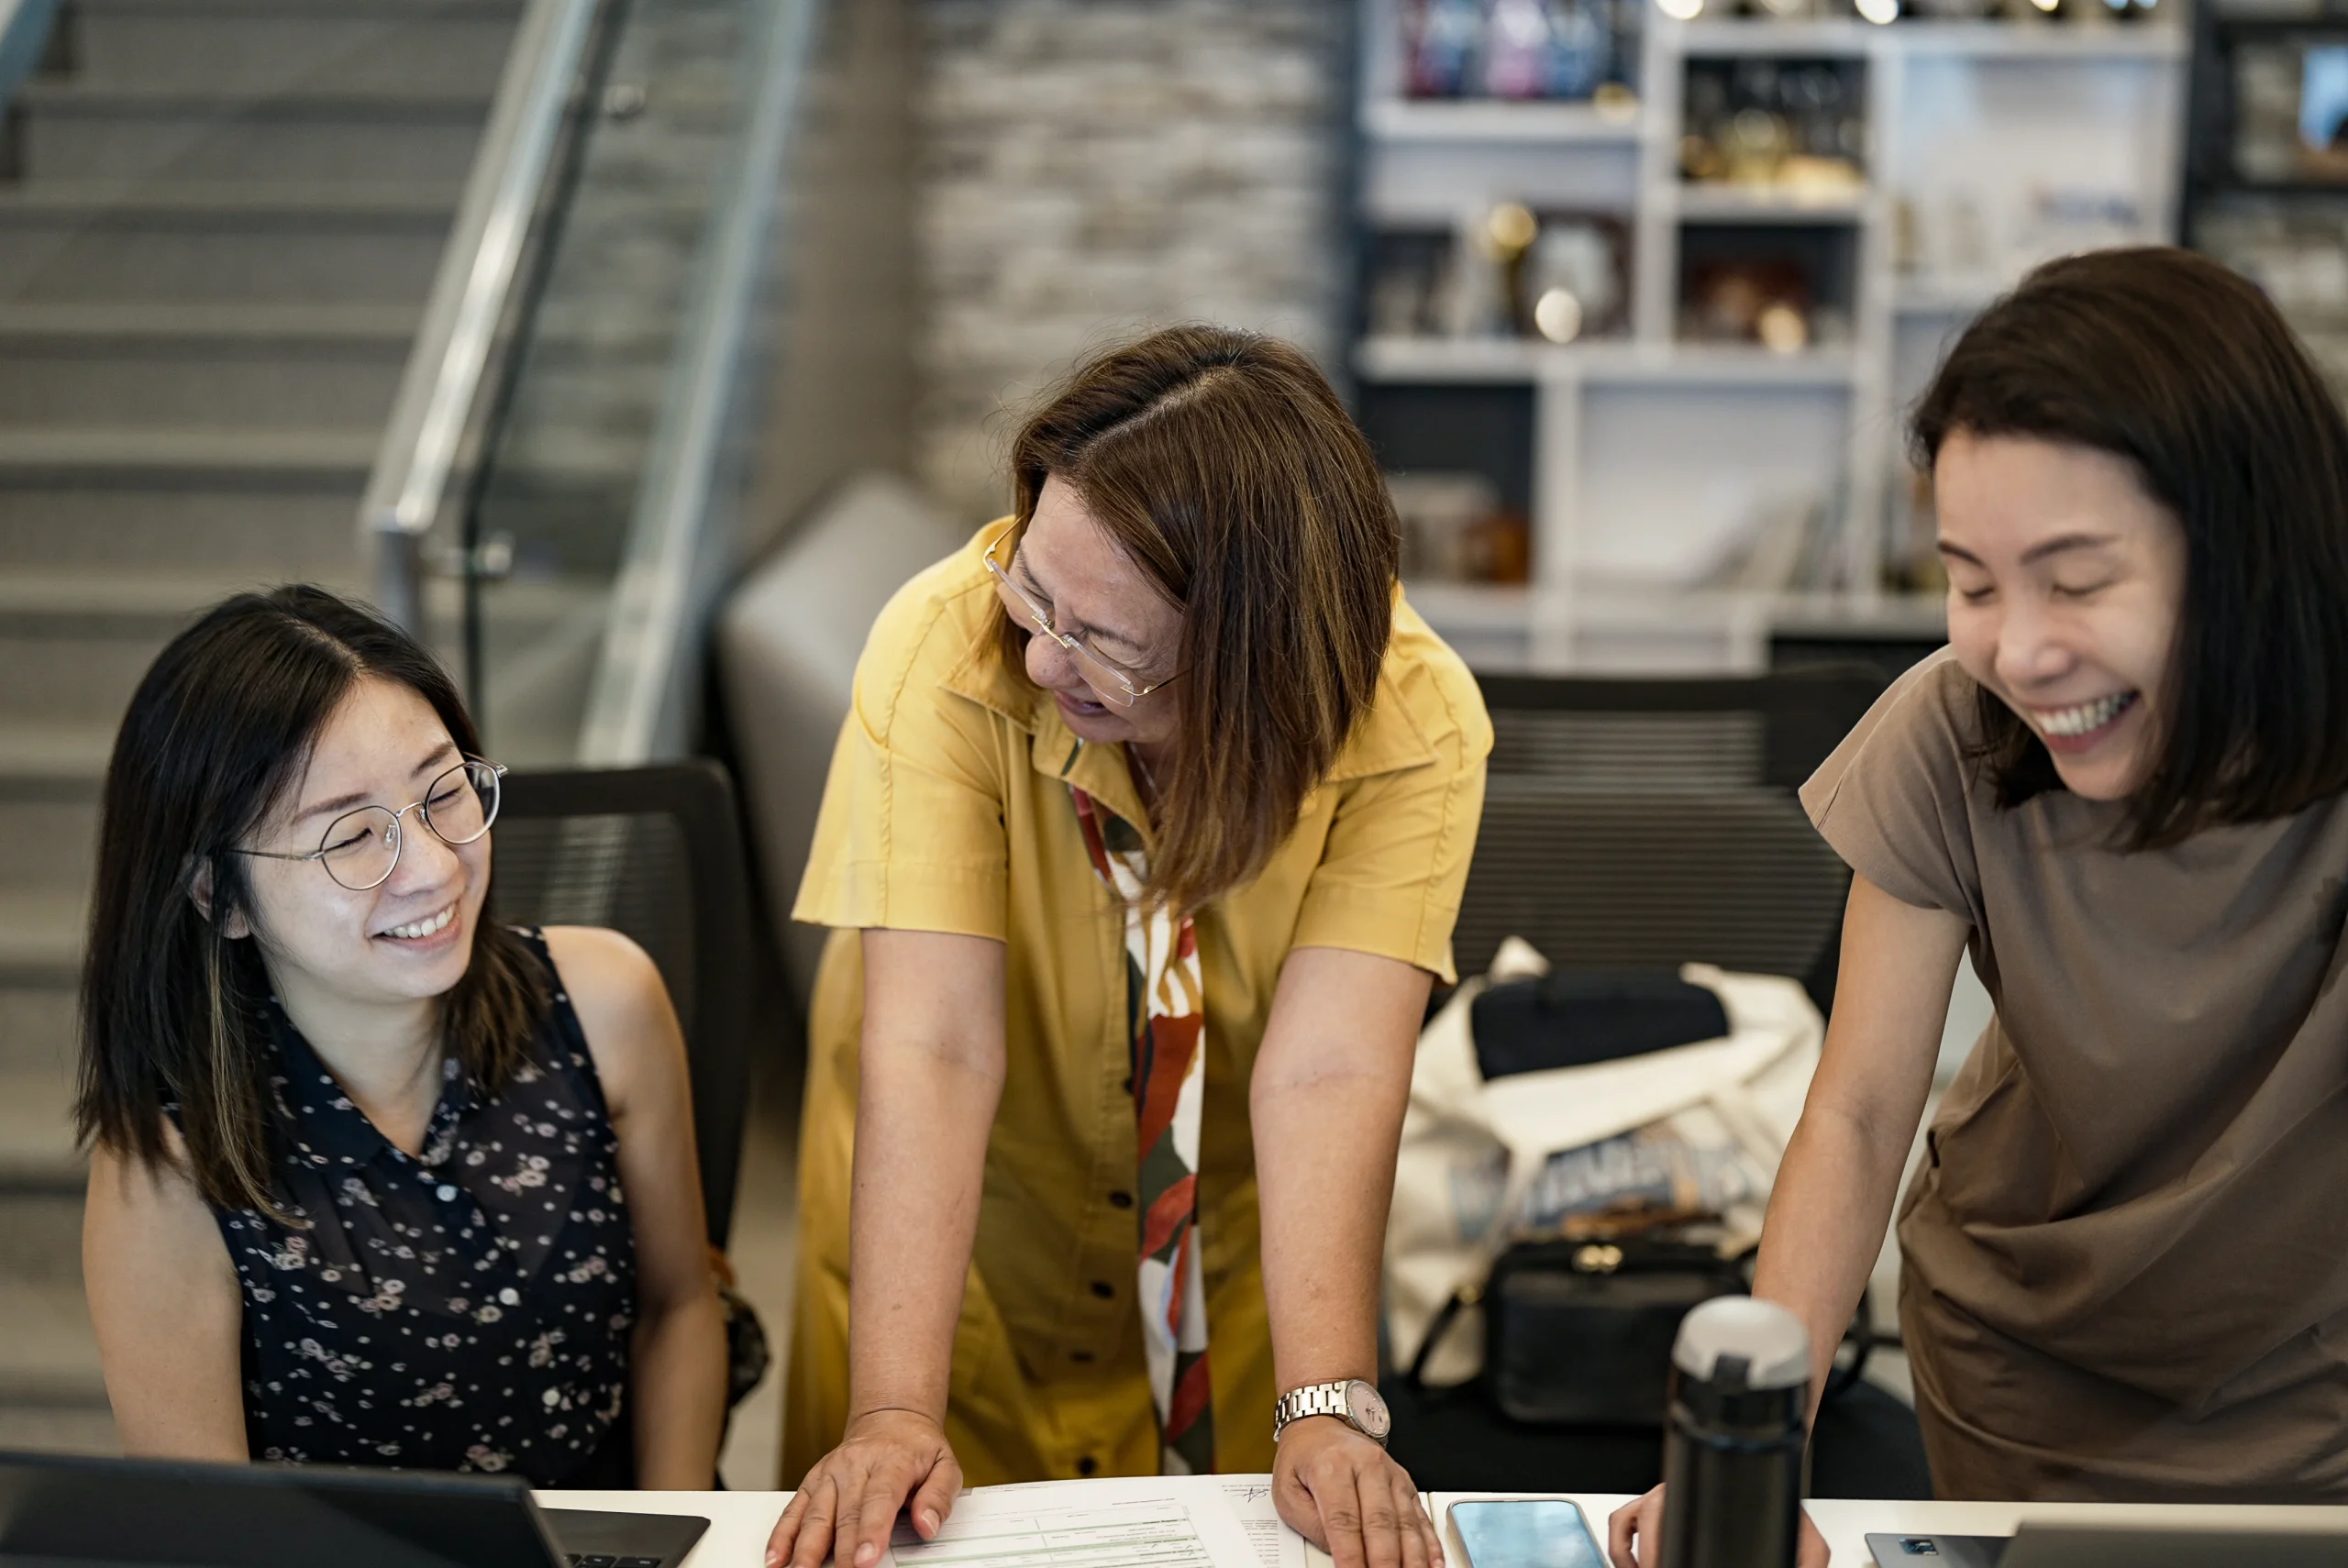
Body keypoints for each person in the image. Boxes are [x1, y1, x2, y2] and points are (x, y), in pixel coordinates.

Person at [1609, 247, 2348, 1565]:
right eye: (1971, 580)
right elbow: (1858, 1108)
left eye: (2076, 581)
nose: (2018, 648)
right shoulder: (1951, 733)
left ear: (2245, 545)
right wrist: (1753, 1448)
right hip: (2018, 1361)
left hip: (2310, 1400)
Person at [767, 326, 1491, 1568]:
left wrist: (1324, 1405)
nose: (1044, 653)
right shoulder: (949, 644)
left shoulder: (1411, 715)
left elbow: (1330, 1069)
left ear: (1250, 664)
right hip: (956, 1249)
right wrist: (891, 1409)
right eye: (1035, 586)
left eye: (1106, 643)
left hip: (1238, 1253)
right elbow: (934, 1045)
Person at [79, 586, 728, 1488]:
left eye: (443, 792)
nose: (430, 868)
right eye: (351, 838)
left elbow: (681, 1307)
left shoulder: (605, 1001)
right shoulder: (172, 1162)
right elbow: (208, 1531)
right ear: (218, 897)